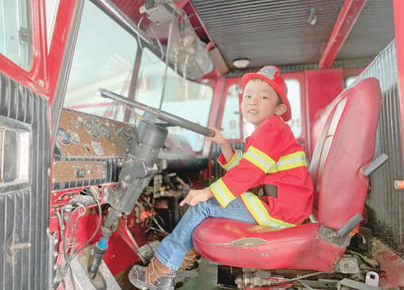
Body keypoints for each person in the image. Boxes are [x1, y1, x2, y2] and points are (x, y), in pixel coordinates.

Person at [129, 65, 314, 290]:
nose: (252, 101)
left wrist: (207, 192)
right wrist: (224, 144)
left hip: (277, 210)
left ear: (279, 108)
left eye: (263, 96)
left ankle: (160, 272)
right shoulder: (270, 130)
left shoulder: (273, 129)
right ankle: (182, 261)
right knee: (207, 201)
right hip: (281, 205)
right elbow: (248, 169)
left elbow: (248, 173)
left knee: (202, 205)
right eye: (248, 96)